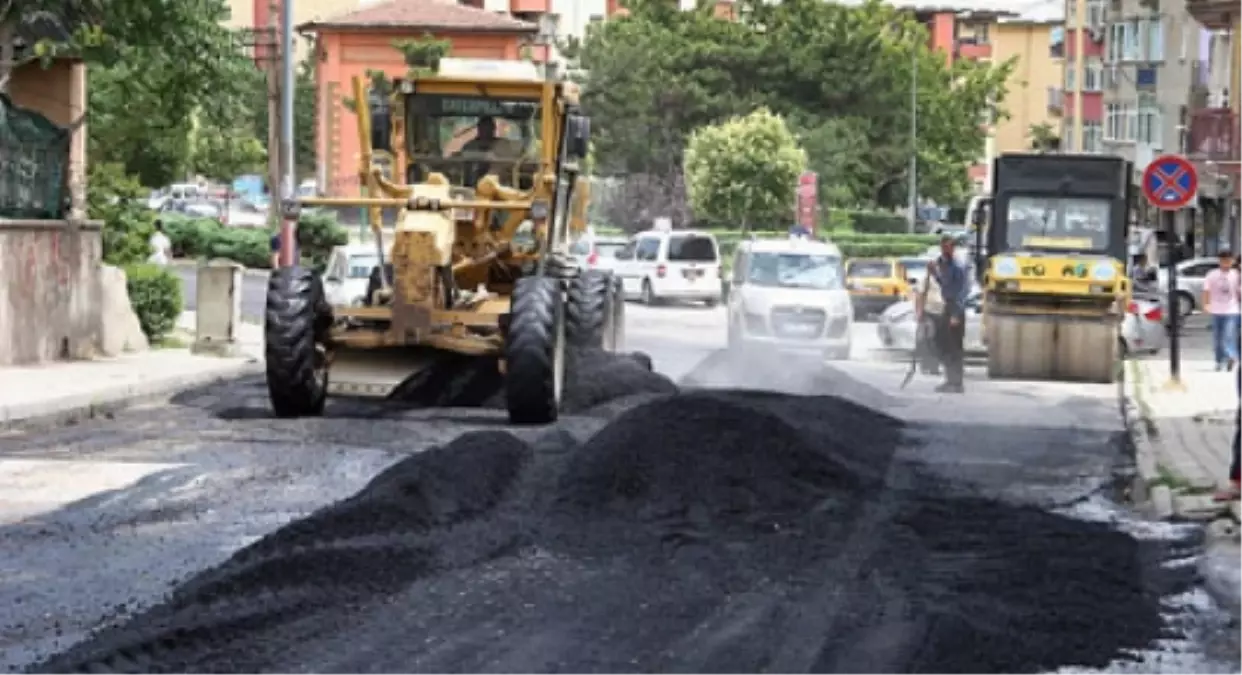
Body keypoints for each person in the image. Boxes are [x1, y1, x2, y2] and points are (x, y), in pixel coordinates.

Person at [922, 234, 970, 393]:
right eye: (943, 247)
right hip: (947, 306)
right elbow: (945, 284)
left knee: (954, 346)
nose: (945, 250)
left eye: (948, 247)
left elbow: (962, 292)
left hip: (956, 308)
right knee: (941, 341)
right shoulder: (945, 264)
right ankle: (950, 378)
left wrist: (956, 314)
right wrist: (934, 272)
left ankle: (956, 383)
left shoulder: (958, 265)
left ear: (953, 248)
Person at [1202, 250, 1240, 371]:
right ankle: (1219, 361)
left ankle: (1231, 356)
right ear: (1219, 261)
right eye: (1224, 261)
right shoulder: (1212, 274)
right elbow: (1206, 291)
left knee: (1229, 335)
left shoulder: (1236, 274)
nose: (1226, 263)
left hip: (1232, 310)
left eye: (1229, 261)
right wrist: (1206, 304)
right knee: (1217, 338)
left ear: (1232, 261)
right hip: (1216, 310)